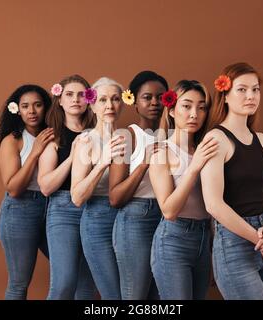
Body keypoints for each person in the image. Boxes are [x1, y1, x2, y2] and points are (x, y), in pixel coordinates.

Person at [201, 62, 263, 300]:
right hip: (234, 244)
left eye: (255, 89)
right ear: (226, 95)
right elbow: (214, 205)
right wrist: (261, 240)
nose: (251, 96)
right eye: (242, 89)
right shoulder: (216, 139)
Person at [149, 80, 218, 299]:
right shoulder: (163, 153)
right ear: (171, 110)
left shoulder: (206, 150)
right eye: (186, 106)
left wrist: (216, 249)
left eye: (201, 107)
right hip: (173, 240)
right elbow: (168, 211)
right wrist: (194, 167)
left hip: (204, 238)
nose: (194, 114)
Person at [109, 71, 168, 299]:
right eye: (147, 97)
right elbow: (115, 198)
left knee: (158, 297)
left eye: (161, 97)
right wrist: (143, 164)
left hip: (168, 220)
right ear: (133, 100)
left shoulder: (174, 136)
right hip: (136, 220)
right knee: (136, 295)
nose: (155, 102)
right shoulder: (127, 136)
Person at [37, 75, 96, 299]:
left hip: (94, 208)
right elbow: (45, 186)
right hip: (63, 211)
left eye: (81, 94)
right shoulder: (54, 136)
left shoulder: (98, 133)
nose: (75, 99)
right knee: (64, 283)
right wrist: (73, 156)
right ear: (59, 100)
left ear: (89, 99)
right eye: (69, 94)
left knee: (87, 288)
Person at [71, 77, 126, 299]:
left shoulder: (128, 137)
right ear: (92, 105)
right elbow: (76, 197)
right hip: (98, 220)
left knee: (131, 293)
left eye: (114, 99)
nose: (110, 106)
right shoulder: (86, 141)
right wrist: (102, 162)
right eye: (102, 100)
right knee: (112, 295)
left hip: (127, 218)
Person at [0, 84, 53, 299]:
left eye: (37, 105)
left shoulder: (53, 134)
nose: (32, 111)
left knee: (74, 271)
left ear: (46, 108)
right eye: (25, 106)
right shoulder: (12, 140)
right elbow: (13, 188)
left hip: (53, 207)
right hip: (20, 210)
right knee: (19, 283)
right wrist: (36, 151)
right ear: (16, 109)